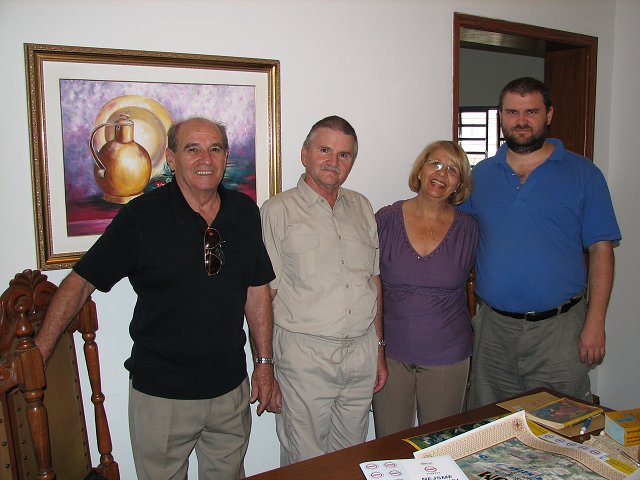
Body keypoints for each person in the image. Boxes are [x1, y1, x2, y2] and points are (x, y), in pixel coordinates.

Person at [35, 117, 276, 480]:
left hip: (230, 391)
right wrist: (40, 352)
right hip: (163, 397)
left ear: (226, 157)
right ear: (171, 158)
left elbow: (256, 289)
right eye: (192, 149)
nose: (205, 158)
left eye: (215, 148)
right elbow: (80, 283)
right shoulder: (141, 217)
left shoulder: (244, 211)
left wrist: (264, 362)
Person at [460, 77, 621, 408]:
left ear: (548, 115)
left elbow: (601, 250)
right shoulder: (480, 176)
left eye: (531, 111)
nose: (521, 120)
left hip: (559, 331)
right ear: (501, 116)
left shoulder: (584, 174)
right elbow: (452, 234)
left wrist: (595, 323)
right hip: (493, 332)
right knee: (489, 424)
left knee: (562, 425)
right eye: (512, 112)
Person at [260, 115, 387, 465]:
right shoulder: (277, 211)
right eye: (325, 150)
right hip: (304, 356)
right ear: (305, 154)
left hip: (360, 352)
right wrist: (265, 365)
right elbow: (264, 296)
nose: (334, 161)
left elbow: (373, 281)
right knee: (306, 463)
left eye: (344, 154)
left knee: (351, 458)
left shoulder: (362, 206)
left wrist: (378, 349)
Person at [372, 141, 478, 437]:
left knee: (440, 445)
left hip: (448, 356)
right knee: (389, 446)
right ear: (420, 170)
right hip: (391, 355)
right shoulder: (385, 220)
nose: (442, 174)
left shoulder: (469, 229)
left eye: (453, 170)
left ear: (459, 184)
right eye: (436, 164)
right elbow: (367, 284)